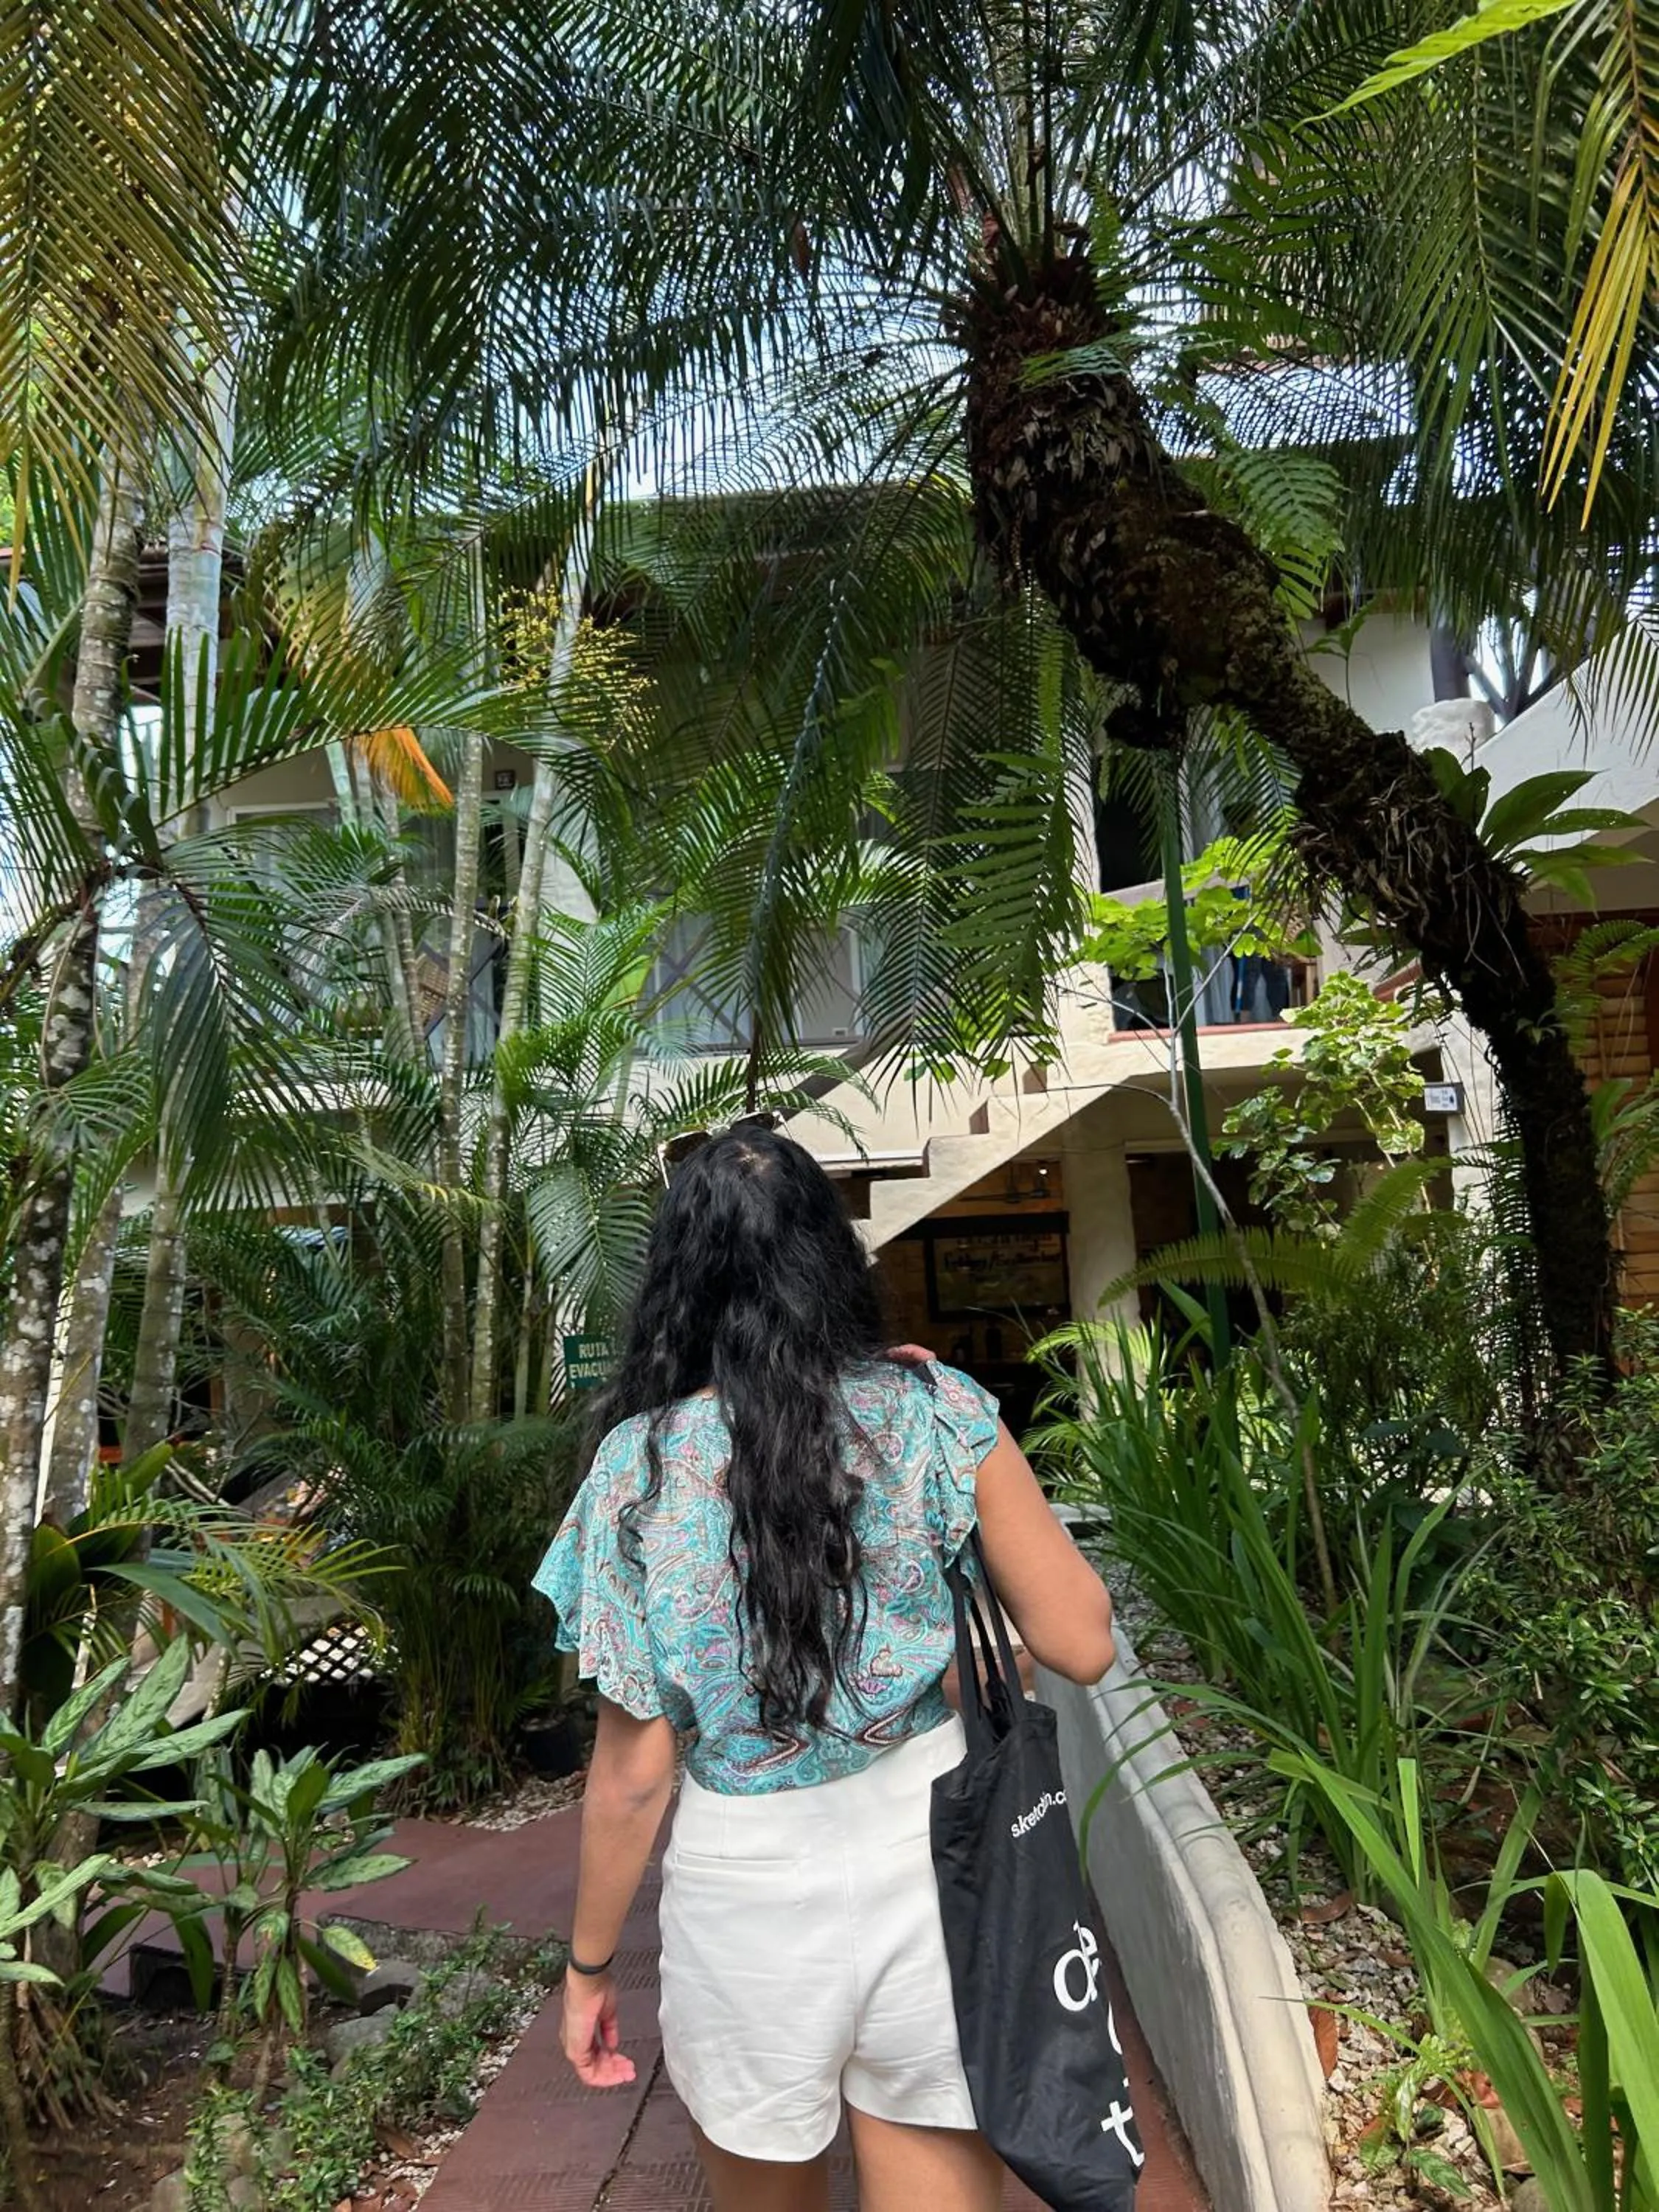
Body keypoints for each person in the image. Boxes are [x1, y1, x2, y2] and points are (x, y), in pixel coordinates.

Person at [533, 1127, 1117, 2212]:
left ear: (680, 1279)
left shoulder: (639, 1468)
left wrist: (589, 1969)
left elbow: (632, 1773)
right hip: (939, 1869)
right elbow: (1081, 1643)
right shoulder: (936, 1412)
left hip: (747, 1901)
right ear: (830, 1257)